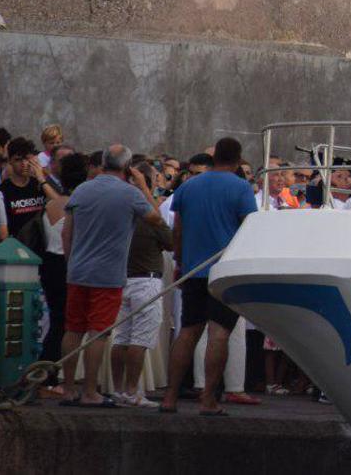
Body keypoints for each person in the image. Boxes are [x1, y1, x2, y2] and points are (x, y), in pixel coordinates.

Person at [59, 144, 162, 408]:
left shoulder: (82, 189)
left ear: (103, 162)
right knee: (98, 332)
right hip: (108, 275)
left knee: (73, 329)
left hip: (78, 271)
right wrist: (143, 187)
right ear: (127, 168)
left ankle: (69, 388)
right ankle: (91, 391)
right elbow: (157, 220)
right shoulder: (130, 194)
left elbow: (66, 232)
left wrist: (72, 263)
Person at [160, 137, 256, 415]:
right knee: (219, 334)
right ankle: (208, 400)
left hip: (192, 269)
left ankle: (169, 397)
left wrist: (179, 260)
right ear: (238, 160)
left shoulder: (189, 186)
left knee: (188, 331)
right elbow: (249, 228)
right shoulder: (241, 187)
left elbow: (177, 229)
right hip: (224, 272)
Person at [110, 161, 174, 408]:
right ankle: (131, 391)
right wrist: (147, 194)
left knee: (121, 337)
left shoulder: (120, 210)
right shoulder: (147, 214)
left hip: (121, 278)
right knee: (139, 339)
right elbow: (168, 240)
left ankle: (118, 389)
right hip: (146, 280)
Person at [32, 152, 88, 396]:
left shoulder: (52, 203)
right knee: (66, 323)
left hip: (49, 265)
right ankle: (49, 375)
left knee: (58, 321)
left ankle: (48, 374)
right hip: (68, 264)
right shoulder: (80, 205)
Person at [2, 137, 61, 246]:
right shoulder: (3, 191)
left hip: (42, 247)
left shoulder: (40, 185)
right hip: (17, 247)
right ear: (10, 160)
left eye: (27, 159)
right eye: (18, 159)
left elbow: (60, 207)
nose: (24, 164)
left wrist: (42, 179)